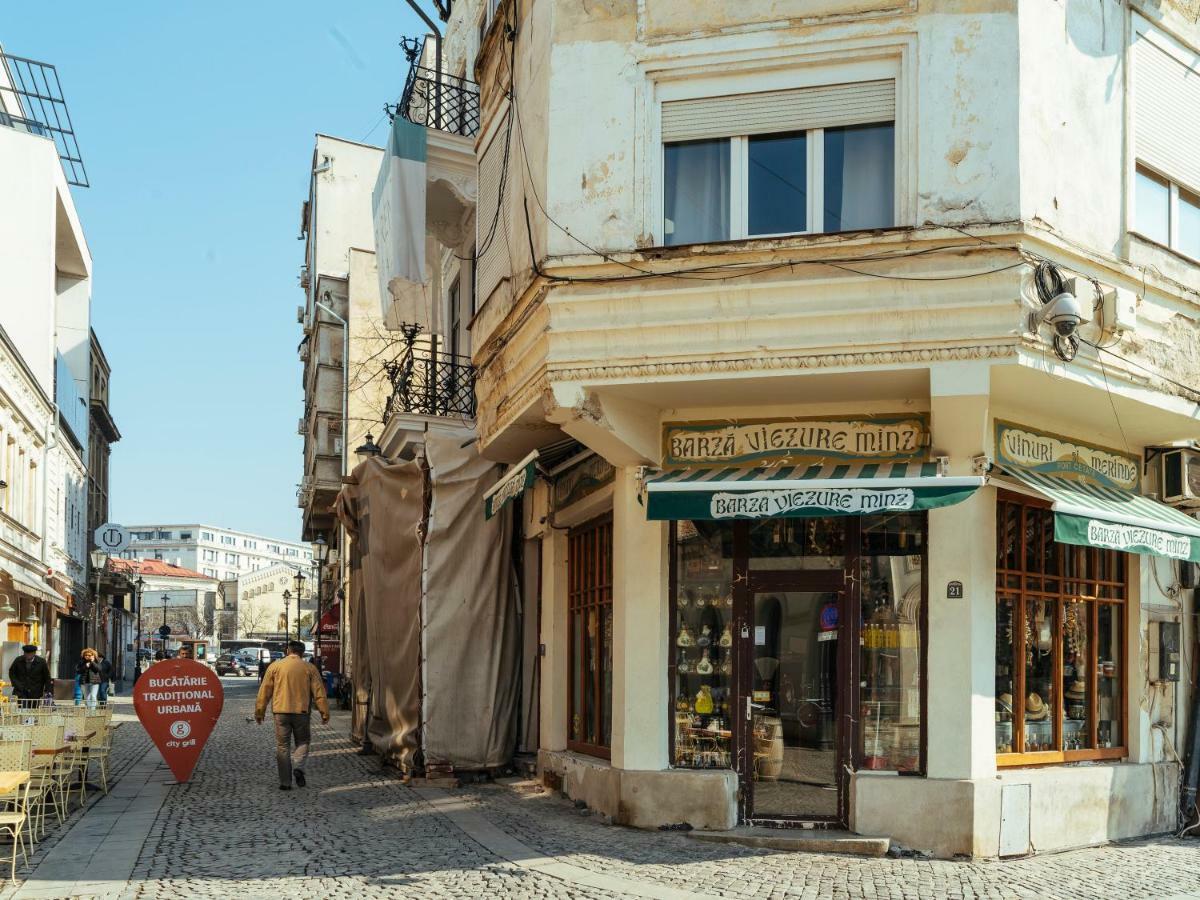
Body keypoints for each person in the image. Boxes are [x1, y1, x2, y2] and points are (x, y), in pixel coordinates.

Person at [254, 641, 329, 791]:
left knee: (283, 746)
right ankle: (299, 766)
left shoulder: (275, 667)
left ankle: (285, 783)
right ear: (301, 652)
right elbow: (319, 693)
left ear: (288, 651)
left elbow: (265, 691)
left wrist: (259, 711)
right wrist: (324, 712)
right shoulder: (309, 668)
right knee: (303, 741)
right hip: (301, 712)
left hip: (280, 712)